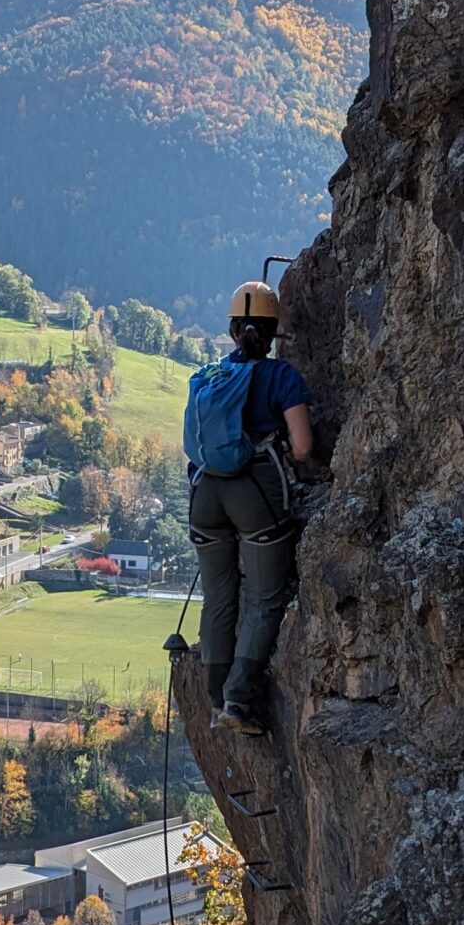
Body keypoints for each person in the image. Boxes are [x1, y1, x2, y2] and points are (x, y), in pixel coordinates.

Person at [186, 279, 319, 735]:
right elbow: (301, 447)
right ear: (273, 328)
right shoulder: (281, 377)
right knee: (263, 598)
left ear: (231, 329)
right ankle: (238, 702)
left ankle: (214, 693)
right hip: (254, 496)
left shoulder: (213, 376)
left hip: (204, 496)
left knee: (219, 595)